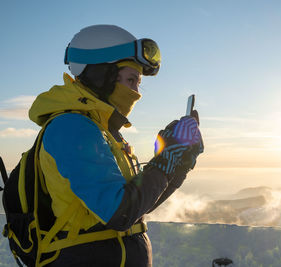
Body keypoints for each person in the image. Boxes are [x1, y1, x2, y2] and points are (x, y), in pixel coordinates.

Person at [28, 24, 203, 266]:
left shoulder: (105, 133)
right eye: (132, 80)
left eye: (138, 82)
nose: (136, 92)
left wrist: (179, 162)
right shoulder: (72, 128)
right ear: (102, 74)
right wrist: (165, 161)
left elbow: (138, 207)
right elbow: (118, 213)